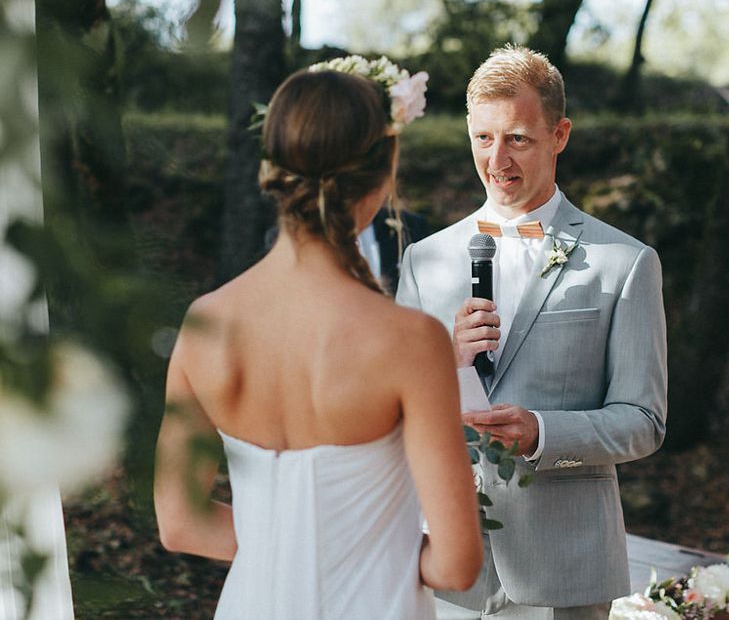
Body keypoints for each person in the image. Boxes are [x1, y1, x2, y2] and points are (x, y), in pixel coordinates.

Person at [154, 67, 483, 620]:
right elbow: (456, 565)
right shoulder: (410, 341)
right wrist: (357, 557)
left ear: (271, 170)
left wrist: (281, 554)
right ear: (383, 174)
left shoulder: (205, 324)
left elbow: (181, 524)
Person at [396, 45, 667, 619]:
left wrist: (542, 432)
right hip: (444, 563)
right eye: (483, 138)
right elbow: (391, 412)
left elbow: (644, 422)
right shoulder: (423, 259)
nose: (498, 159)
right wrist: (439, 361)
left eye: (517, 137)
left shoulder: (626, 261)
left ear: (560, 134)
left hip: (565, 568)